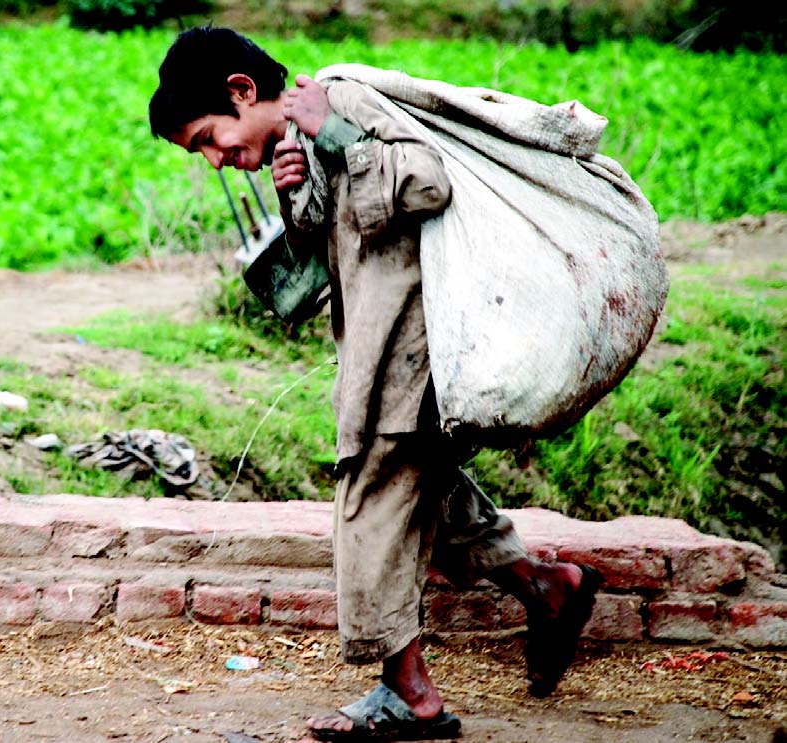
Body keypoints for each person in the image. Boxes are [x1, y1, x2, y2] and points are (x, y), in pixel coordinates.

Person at [149, 26, 601, 741]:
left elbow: (427, 179)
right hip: (379, 342)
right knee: (432, 498)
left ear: (242, 91)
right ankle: (547, 586)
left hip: (412, 342)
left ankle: (409, 694)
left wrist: (331, 135)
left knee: (369, 497)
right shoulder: (296, 137)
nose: (214, 160)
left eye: (209, 137)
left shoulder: (342, 101)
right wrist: (300, 194)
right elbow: (344, 235)